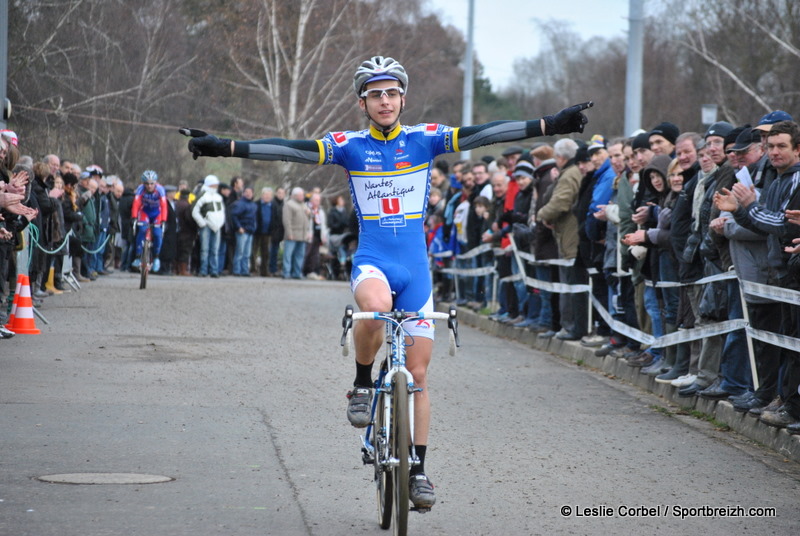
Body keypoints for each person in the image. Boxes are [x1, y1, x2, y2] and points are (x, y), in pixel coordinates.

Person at [183, 55, 591, 508]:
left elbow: (485, 133)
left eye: (391, 92)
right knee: (375, 308)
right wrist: (227, 148)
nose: (384, 100)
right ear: (363, 102)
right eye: (375, 93)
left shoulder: (424, 140)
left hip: (416, 269)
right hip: (375, 260)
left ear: (403, 97)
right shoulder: (350, 146)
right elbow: (289, 148)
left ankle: (418, 469)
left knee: (417, 375)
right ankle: (361, 382)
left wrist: (549, 125)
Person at [131, 170, 168, 273]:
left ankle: (156, 257)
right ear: (143, 183)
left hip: (157, 213)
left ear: (155, 183)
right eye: (147, 183)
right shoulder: (140, 189)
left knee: (157, 234)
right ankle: (138, 257)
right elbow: (136, 203)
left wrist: (164, 220)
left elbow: (164, 206)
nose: (149, 186)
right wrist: (134, 217)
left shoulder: (160, 190)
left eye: (152, 183)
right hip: (145, 212)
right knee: (142, 230)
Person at [192, 175, 226, 278]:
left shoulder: (218, 197)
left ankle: (213, 270)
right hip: (206, 226)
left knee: (215, 249)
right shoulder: (202, 196)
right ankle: (203, 270)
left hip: (217, 226)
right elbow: (194, 211)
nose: (215, 187)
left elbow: (222, 212)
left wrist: (221, 222)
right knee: (205, 249)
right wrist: (202, 223)